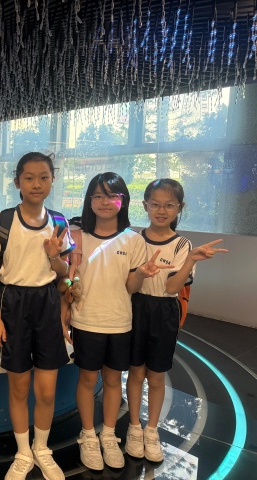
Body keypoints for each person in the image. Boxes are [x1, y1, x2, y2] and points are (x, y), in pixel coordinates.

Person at [66, 172, 171, 471]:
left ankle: (109, 435)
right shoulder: (78, 237)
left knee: (113, 381)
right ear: (89, 200)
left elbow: (131, 287)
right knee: (88, 380)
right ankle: (88, 436)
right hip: (86, 321)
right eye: (98, 195)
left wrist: (142, 274)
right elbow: (68, 278)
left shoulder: (133, 240)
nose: (104, 201)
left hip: (120, 322)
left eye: (112, 195)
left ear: (123, 201)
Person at [125, 179, 228, 463]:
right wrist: (142, 273)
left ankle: (151, 430)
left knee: (157, 375)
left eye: (169, 205)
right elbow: (131, 286)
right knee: (135, 372)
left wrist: (190, 260)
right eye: (155, 204)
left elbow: (172, 287)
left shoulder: (183, 244)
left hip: (164, 311)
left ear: (180, 207)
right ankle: (134, 427)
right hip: (136, 307)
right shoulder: (134, 240)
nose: (162, 210)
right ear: (145, 205)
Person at [0, 152, 73, 480]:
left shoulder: (60, 222)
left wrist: (54, 257)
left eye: (44, 177)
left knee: (47, 390)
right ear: (17, 182)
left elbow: (64, 274)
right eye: (29, 178)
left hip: (47, 304)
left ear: (53, 180)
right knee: (19, 387)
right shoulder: (3, 221)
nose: (37, 184)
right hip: (14, 305)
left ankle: (42, 448)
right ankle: (23, 452)